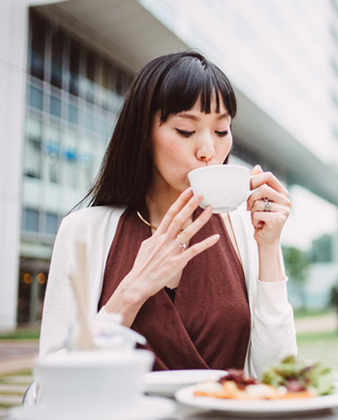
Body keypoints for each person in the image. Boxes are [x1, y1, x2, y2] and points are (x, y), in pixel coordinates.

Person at [39, 51, 297, 378]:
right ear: (144, 135)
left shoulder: (244, 230)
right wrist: (132, 291)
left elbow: (279, 375)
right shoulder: (84, 232)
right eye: (186, 131)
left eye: (221, 131)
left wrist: (270, 247)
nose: (208, 151)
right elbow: (52, 386)